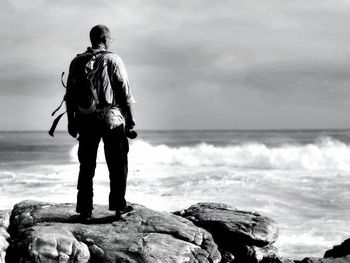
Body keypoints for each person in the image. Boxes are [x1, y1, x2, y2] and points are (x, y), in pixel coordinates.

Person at [65, 25, 135, 220]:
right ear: (105, 38)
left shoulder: (77, 61)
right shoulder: (113, 59)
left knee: (86, 165)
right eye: (110, 38)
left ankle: (85, 210)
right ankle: (118, 205)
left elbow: (69, 94)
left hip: (85, 118)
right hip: (111, 119)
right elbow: (124, 92)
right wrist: (130, 119)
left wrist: (71, 121)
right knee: (118, 162)